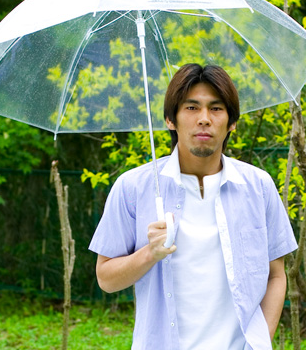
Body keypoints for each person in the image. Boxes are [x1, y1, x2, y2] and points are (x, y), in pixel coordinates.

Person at [89, 64, 298, 350]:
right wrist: (149, 253)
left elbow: (275, 275)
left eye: (216, 108)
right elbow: (106, 278)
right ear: (170, 119)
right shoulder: (133, 187)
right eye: (191, 108)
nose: (204, 119)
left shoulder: (258, 187)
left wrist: (261, 342)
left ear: (232, 122)